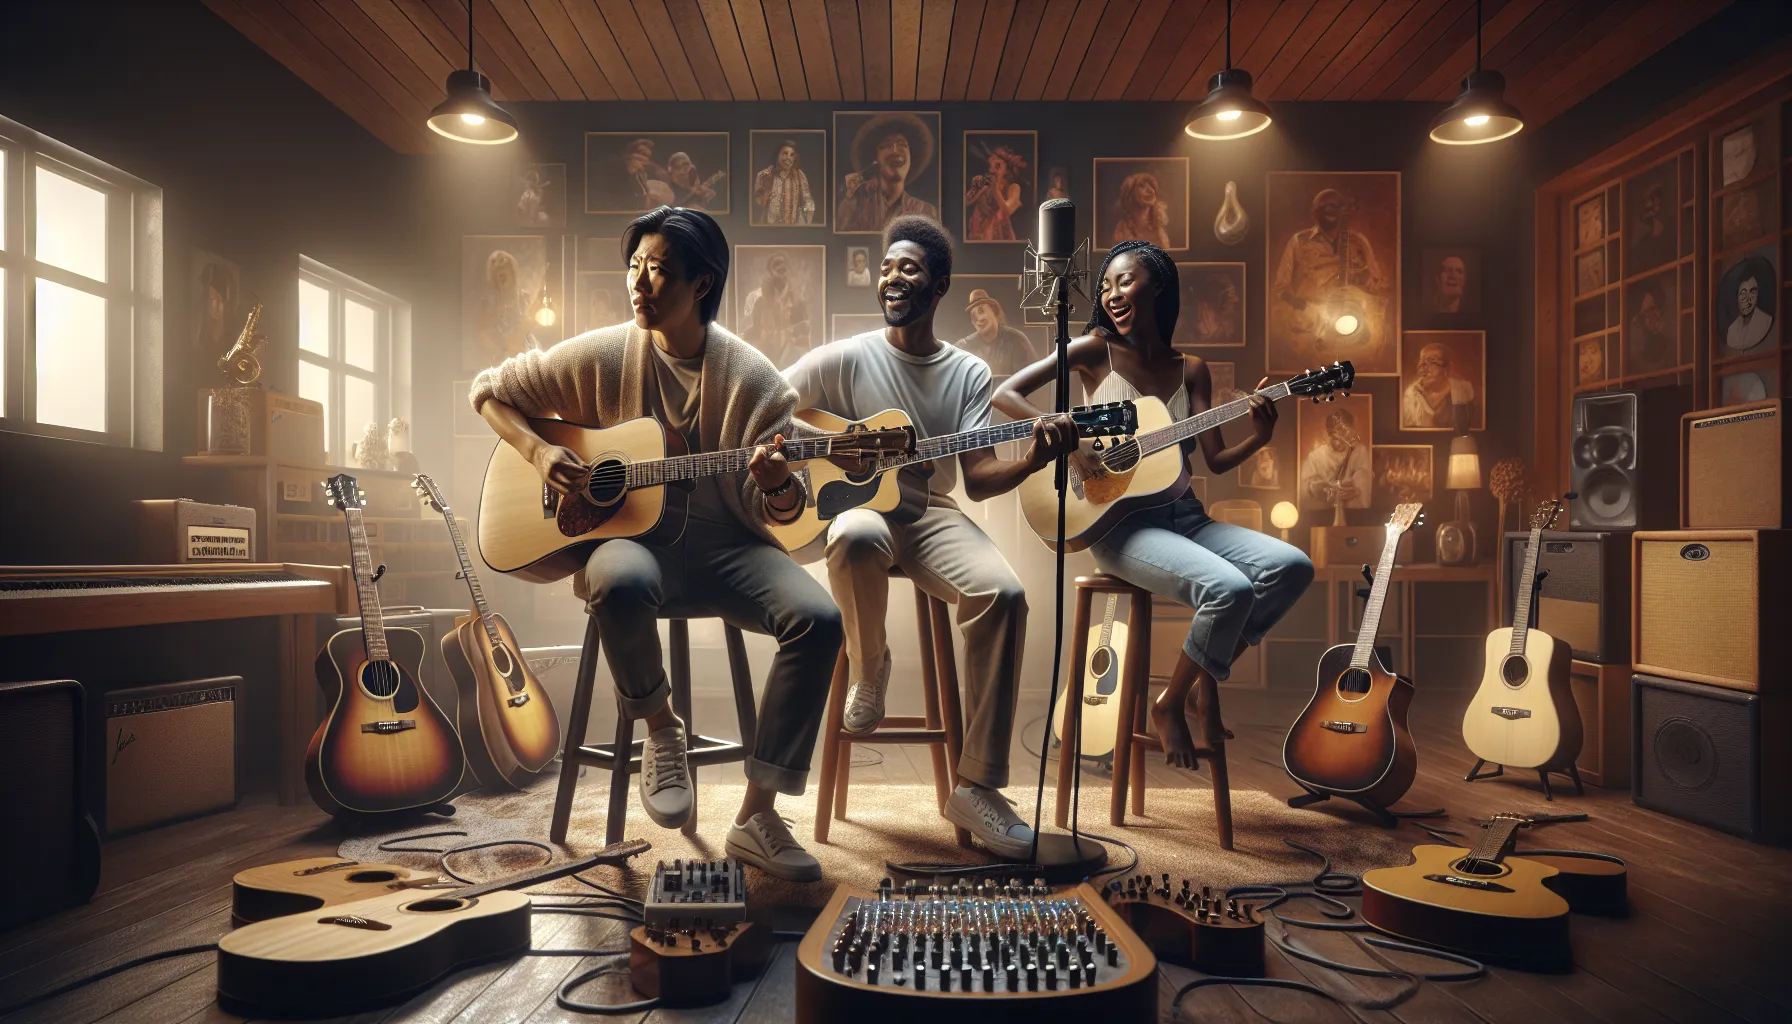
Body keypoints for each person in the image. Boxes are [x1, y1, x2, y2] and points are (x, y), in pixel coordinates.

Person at [470, 207, 842, 882]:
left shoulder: (753, 379)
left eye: (659, 270)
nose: (639, 283)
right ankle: (662, 728)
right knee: (616, 579)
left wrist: (779, 485)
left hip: (729, 549)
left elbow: (783, 510)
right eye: (635, 267)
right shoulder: (606, 353)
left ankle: (757, 816)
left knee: (819, 619)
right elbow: (490, 392)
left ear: (702, 284)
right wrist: (539, 451)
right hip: (638, 546)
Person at [783, 215, 1080, 859]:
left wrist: (1033, 457)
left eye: (909, 268)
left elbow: (979, 478)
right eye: (887, 267)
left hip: (930, 513)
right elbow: (767, 407)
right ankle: (871, 669)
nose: (893, 278)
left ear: (939, 285)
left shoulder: (968, 371)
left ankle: (978, 786)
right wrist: (836, 448)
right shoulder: (846, 356)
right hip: (860, 511)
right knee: (854, 533)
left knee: (1004, 594)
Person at [993, 240, 1314, 775]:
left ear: (1158, 286)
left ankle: (1196, 683)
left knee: (1292, 567)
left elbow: (1215, 461)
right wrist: (1070, 440)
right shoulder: (1093, 350)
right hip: (1118, 526)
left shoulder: (1192, 369)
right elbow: (1006, 393)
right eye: (1106, 286)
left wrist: (1259, 437)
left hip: (1185, 516)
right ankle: (1172, 704)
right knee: (1230, 590)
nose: (1112, 295)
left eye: (1126, 281)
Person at [1271, 188, 1388, 353]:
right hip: (1312, 319)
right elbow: (1280, 288)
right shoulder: (1299, 241)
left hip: (1351, 314)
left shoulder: (1358, 241)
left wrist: (1360, 285)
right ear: (1314, 212)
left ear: (1342, 211)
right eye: (1324, 207)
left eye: (1334, 206)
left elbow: (1379, 283)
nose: (1329, 210)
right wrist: (1304, 306)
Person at [837, 112, 940, 231]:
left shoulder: (926, 212)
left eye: (902, 144)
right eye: (886, 145)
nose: (895, 150)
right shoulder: (854, 208)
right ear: (875, 159)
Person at [476, 249, 545, 365]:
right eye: (497, 272)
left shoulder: (525, 298)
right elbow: (481, 333)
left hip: (525, 354)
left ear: (513, 273)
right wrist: (499, 352)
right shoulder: (490, 302)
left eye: (505, 269)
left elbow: (533, 325)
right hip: (501, 359)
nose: (501, 275)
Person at [742, 253, 811, 369]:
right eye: (779, 270)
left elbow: (805, 327)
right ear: (771, 272)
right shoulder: (759, 299)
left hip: (789, 354)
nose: (783, 274)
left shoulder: (796, 299)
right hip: (765, 353)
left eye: (785, 270)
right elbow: (754, 328)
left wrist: (792, 334)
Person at [955, 288, 1039, 377]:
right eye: (973, 316)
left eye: (981, 311)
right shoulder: (965, 345)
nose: (979, 319)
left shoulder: (1016, 339)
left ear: (994, 311)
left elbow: (1034, 376)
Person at [1300, 407, 1371, 511]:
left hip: (1354, 515)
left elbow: (1365, 485)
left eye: (1342, 434)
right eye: (1333, 434)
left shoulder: (1360, 452)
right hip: (1324, 514)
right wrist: (1313, 489)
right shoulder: (1315, 457)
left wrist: (1356, 491)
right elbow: (1304, 492)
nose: (1337, 441)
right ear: (1328, 432)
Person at [1401, 341, 1476, 429]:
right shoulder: (1411, 395)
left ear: (1447, 368)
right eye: (1422, 364)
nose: (1425, 369)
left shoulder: (1463, 389)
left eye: (1433, 363)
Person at [965, 145, 1026, 242]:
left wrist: (995, 189)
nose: (992, 169)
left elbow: (1007, 210)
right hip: (979, 235)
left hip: (1001, 237)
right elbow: (965, 202)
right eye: (991, 164)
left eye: (998, 165)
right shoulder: (983, 183)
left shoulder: (1013, 188)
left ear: (1007, 169)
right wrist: (978, 190)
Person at [753, 139, 815, 225]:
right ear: (777, 155)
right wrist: (766, 193)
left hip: (795, 227)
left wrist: (806, 223)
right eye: (785, 153)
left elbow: (808, 201)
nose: (788, 158)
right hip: (770, 227)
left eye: (792, 155)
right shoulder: (764, 175)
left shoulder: (799, 175)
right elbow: (757, 204)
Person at [1723, 258, 1775, 351]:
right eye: (1743, 293)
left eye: (1752, 292)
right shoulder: (1732, 330)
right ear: (1737, 297)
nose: (1747, 299)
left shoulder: (1766, 321)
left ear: (1758, 295)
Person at [1111, 172, 1172, 250]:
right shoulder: (1122, 231)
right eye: (1142, 186)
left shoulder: (1158, 230)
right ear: (1131, 194)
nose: (1150, 191)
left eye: (1152, 187)